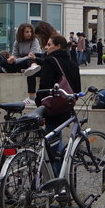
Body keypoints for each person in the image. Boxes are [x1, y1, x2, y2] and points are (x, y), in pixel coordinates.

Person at [32, 33, 82, 172]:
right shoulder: (73, 63)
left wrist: (39, 105)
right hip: (66, 105)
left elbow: (43, 87)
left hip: (52, 107)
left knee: (53, 142)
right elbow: (77, 88)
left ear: (58, 46)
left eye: (49, 44)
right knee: (55, 138)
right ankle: (60, 174)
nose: (46, 47)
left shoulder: (50, 61)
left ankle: (57, 178)